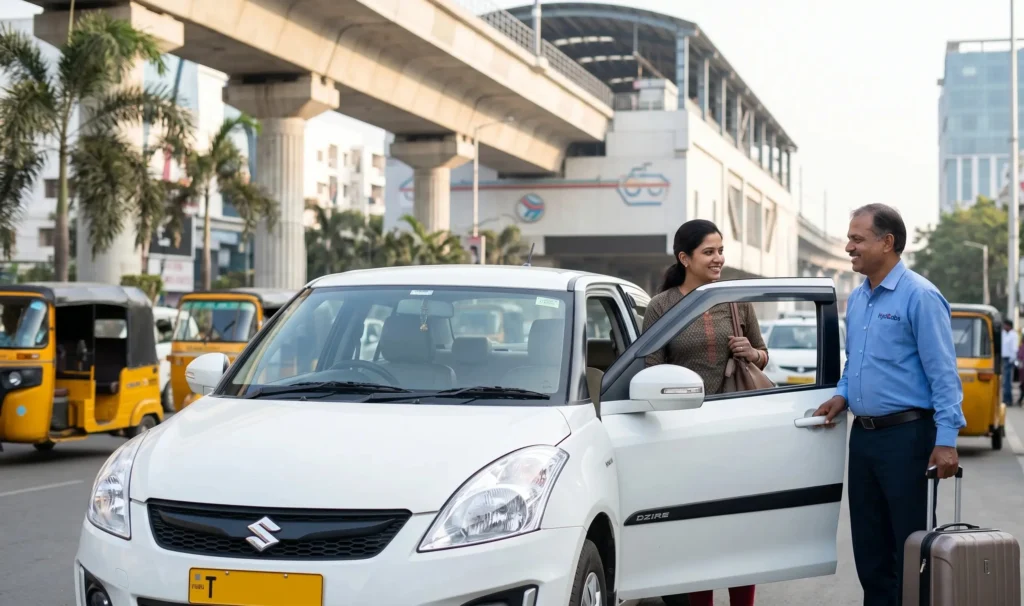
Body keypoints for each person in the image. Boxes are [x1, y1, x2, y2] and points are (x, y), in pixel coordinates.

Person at [813, 203, 965, 606]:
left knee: (910, 549)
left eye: (857, 239)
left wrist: (946, 440)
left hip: (908, 438)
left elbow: (944, 376)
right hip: (863, 440)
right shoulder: (859, 300)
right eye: (849, 238)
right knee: (869, 549)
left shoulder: (921, 296)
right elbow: (854, 364)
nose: (848, 247)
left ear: (888, 242)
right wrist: (842, 396)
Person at [641, 219, 766, 606]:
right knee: (699, 532)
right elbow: (650, 369)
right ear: (685, 258)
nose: (718, 259)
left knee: (739, 531)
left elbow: (763, 355)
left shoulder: (735, 299)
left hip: (734, 430)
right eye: (708, 252)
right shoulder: (662, 306)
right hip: (684, 433)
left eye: (720, 250)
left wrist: (750, 352)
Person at [1001, 319, 1018, 406]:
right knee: (1005, 381)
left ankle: (1008, 400)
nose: (1004, 327)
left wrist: (1012, 360)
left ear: (1009, 326)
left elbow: (1014, 349)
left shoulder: (1013, 335)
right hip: (1004, 359)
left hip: (1009, 360)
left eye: (1005, 325)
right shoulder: (1004, 334)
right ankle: (1006, 399)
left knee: (1007, 381)